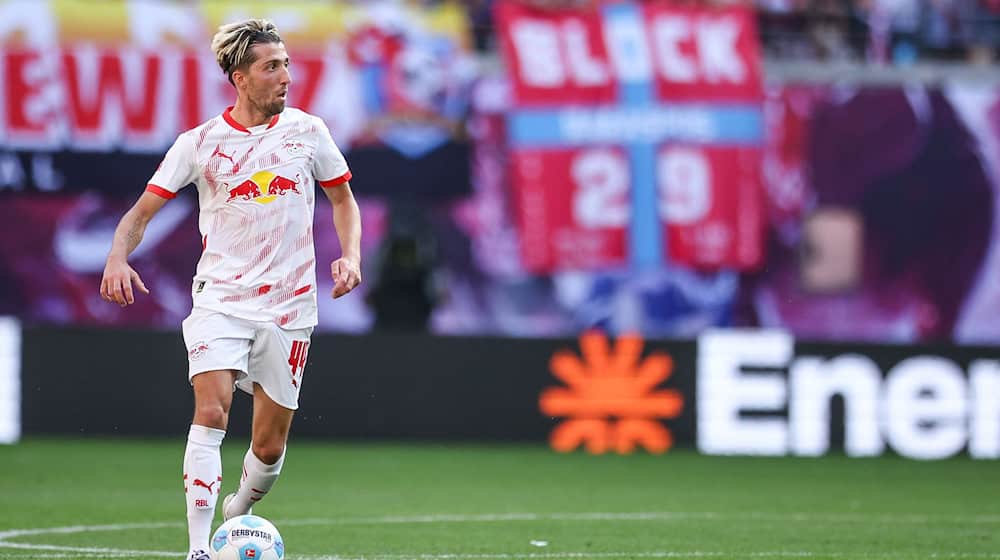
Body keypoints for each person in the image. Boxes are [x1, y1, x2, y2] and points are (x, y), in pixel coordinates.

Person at [98, 19, 362, 560]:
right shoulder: (200, 144)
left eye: (287, 63)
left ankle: (236, 512)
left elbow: (342, 201)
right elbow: (141, 213)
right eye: (273, 66)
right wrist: (117, 255)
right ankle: (198, 550)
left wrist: (351, 256)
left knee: (269, 445)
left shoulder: (309, 132)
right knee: (213, 412)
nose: (286, 75)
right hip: (219, 299)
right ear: (240, 78)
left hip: (289, 308)